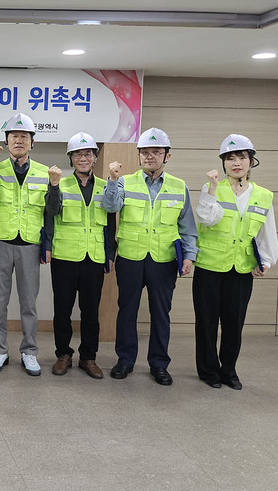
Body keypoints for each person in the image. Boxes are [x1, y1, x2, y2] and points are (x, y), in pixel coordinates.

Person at [103, 127, 197, 386]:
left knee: (161, 312)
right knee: (127, 310)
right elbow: (110, 206)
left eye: (156, 152)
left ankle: (159, 364)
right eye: (145, 152)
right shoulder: (124, 182)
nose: (150, 156)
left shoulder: (179, 187)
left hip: (163, 259)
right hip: (130, 257)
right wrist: (112, 180)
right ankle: (125, 360)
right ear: (139, 156)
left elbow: (187, 226)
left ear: (167, 156)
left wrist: (189, 255)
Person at [193, 134, 278, 390]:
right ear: (223, 163)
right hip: (209, 266)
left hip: (241, 268)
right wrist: (211, 188)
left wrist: (266, 261)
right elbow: (207, 219)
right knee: (206, 322)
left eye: (241, 157)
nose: (236, 163)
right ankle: (209, 370)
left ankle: (228, 371)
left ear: (251, 161)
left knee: (234, 323)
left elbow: (266, 232)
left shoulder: (263, 196)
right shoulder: (211, 188)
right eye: (230, 158)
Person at [0, 113, 62, 376]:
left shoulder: (44, 172)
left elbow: (52, 211)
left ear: (32, 142)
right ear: (6, 142)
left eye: (24, 136)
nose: (19, 140)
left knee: (29, 304)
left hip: (30, 245)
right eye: (14, 136)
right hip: (1, 243)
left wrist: (54, 186)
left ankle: (29, 352)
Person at [49, 132, 116, 379]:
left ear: (95, 157)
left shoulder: (106, 185)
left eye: (88, 154)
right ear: (71, 158)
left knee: (90, 311)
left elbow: (111, 221)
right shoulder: (60, 183)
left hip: (94, 256)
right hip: (65, 256)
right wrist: (53, 186)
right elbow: (51, 212)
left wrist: (110, 253)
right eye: (78, 154)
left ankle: (88, 357)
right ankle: (63, 354)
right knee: (62, 309)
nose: (83, 158)